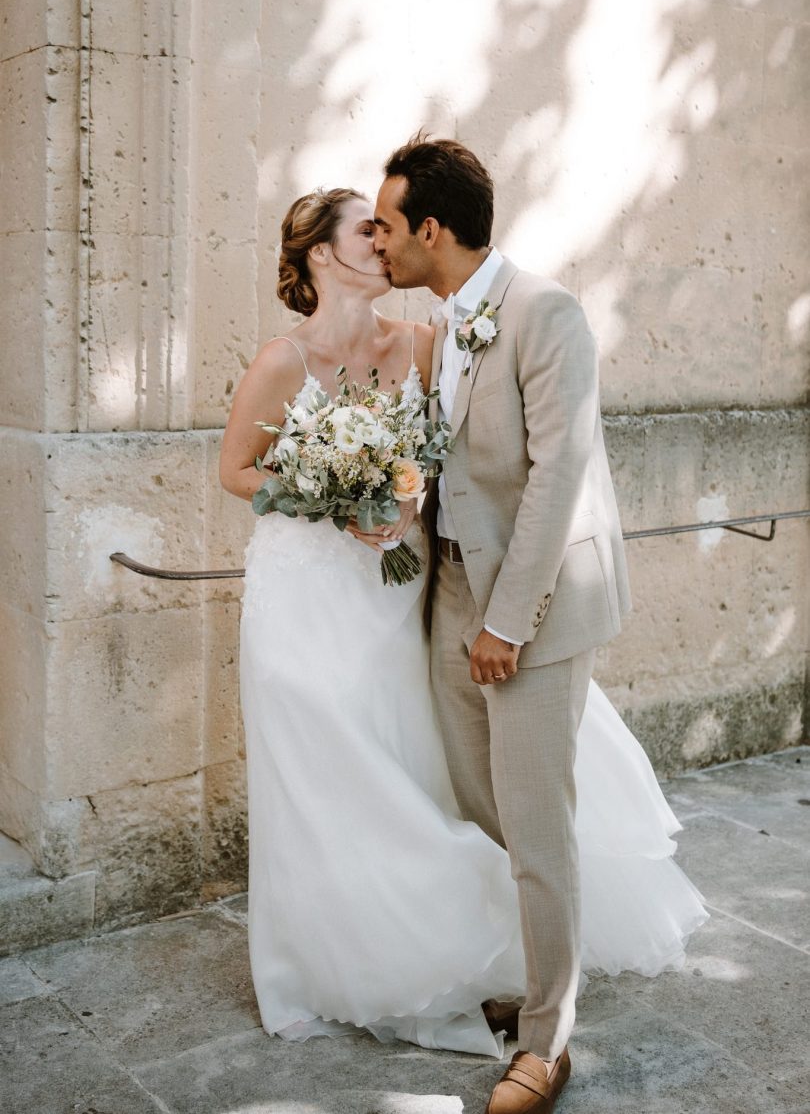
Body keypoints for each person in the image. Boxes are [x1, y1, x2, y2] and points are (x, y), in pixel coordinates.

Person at [219, 184, 706, 1097]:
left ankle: (539, 1024)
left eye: (388, 222)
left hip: (425, 596)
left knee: (480, 788)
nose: (381, 239)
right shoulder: (284, 360)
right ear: (321, 255)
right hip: (337, 592)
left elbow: (501, 464)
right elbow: (237, 467)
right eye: (364, 228)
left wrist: (408, 512)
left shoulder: (437, 338)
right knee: (350, 777)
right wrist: (333, 495)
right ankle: (366, 949)